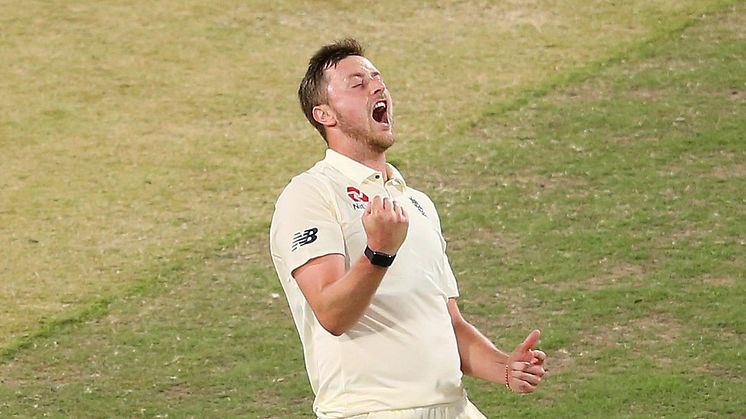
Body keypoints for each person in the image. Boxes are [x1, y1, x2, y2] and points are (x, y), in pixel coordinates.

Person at [269, 38, 546, 419]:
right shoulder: (311, 194)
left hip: (454, 407)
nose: (378, 86)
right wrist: (378, 253)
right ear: (325, 115)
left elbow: (448, 322)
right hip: (374, 411)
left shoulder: (416, 202)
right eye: (358, 82)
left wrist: (504, 368)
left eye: (377, 78)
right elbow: (331, 313)